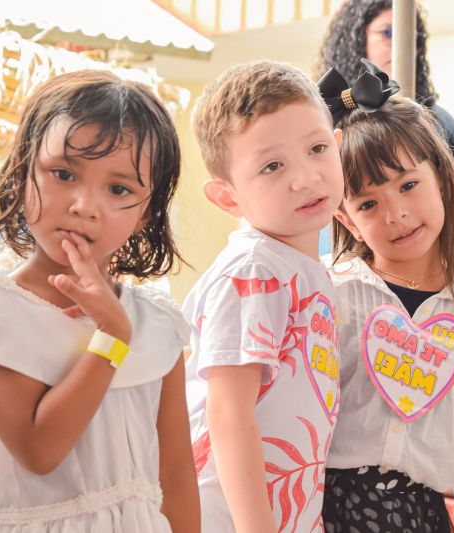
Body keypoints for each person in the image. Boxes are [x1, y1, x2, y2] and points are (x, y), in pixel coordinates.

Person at [0, 70, 199, 532]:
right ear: (22, 172)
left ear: (146, 212)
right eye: (63, 174)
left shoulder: (158, 324)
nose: (84, 205)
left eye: (119, 189)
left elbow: (175, 477)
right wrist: (112, 337)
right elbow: (40, 451)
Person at [319, 61, 454, 533]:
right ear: (346, 221)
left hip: (424, 519)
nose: (396, 213)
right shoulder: (329, 294)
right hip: (324, 514)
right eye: (368, 203)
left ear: (442, 180)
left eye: (408, 185)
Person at [184, 61, 345, 532]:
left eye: (317, 149)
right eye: (272, 166)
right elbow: (228, 414)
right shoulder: (255, 272)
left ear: (337, 146)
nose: (306, 178)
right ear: (228, 198)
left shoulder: (302, 268)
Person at [316, 0, 454, 254]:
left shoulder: (434, 119)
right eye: (386, 33)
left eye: (408, 185)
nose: (400, 41)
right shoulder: (318, 127)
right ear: (355, 40)